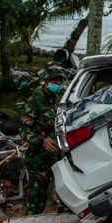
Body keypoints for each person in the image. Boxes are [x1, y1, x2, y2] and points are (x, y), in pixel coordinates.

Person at [21, 66, 71, 214]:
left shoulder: (61, 97)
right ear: (45, 82)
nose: (57, 83)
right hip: (39, 157)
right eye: (54, 80)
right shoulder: (34, 100)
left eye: (59, 80)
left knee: (66, 192)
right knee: (37, 196)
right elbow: (24, 130)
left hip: (60, 154)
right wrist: (42, 140)